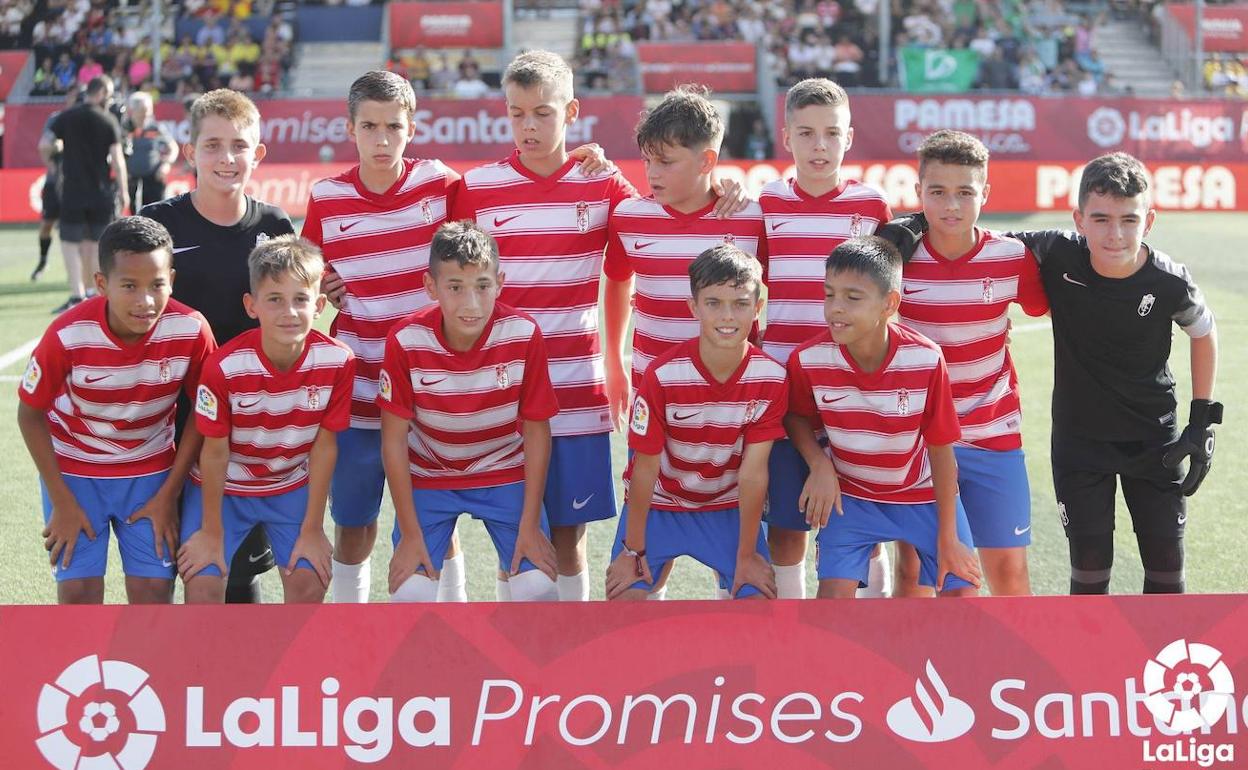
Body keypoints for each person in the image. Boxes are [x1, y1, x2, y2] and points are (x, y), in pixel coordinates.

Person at [885, 152, 1220, 594]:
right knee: (1089, 568)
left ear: (1150, 220)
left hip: (1154, 439)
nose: (1115, 234)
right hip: (1079, 444)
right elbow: (973, 236)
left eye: (1128, 220)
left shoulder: (1170, 280)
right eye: (1100, 219)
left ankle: (1158, 664)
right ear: (1079, 219)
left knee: (1165, 569)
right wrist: (912, 224)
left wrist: (1202, 420)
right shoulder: (1056, 250)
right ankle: (1092, 665)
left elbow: (1204, 332)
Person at [450, 50, 639, 602]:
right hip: (497, 390)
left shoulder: (604, 187)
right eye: (517, 114)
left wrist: (614, 359)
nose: (528, 127)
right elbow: (444, 279)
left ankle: (568, 657)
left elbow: (642, 250)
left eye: (543, 113)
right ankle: (517, 665)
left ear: (571, 111)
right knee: (513, 527)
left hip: (575, 385)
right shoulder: (477, 189)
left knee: (568, 533)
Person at [301, 70, 465, 604]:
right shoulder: (326, 197)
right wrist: (321, 284)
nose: (382, 139)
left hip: (431, 388)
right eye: (369, 126)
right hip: (360, 390)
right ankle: (354, 626)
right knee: (354, 522)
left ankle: (450, 621)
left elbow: (483, 235)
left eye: (393, 126)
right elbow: (307, 270)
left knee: (436, 518)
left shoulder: (438, 184)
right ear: (350, 128)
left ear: (412, 127)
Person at [142, 88, 296, 603]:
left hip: (249, 417)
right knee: (166, 562)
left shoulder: (274, 225)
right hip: (168, 414)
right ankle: (170, 675)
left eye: (239, 146)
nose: (226, 158)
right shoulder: (158, 223)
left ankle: (236, 683)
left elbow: (293, 308)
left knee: (236, 567)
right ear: (189, 153)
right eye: (212, 145)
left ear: (259, 155)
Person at [16, 217, 216, 604]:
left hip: (150, 474)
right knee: (78, 594)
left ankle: (151, 667)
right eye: (129, 286)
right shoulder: (67, 333)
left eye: (157, 284)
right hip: (75, 472)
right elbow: (29, 414)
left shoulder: (191, 330)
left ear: (171, 279)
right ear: (102, 284)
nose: (145, 300)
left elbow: (204, 415)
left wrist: (168, 495)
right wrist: (62, 501)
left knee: (153, 594)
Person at [784, 237, 982, 598]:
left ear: (889, 303)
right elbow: (796, 417)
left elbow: (940, 452)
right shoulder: (808, 359)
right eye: (829, 294)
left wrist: (949, 536)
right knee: (830, 610)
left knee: (963, 600)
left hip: (922, 498)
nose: (835, 309)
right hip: (852, 499)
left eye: (852, 298)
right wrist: (819, 464)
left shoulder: (925, 359)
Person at [759, 77, 893, 600]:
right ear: (786, 137)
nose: (820, 146)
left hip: (855, 383)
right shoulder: (764, 206)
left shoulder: (872, 208)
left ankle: (871, 612)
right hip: (786, 384)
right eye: (807, 133)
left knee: (862, 514)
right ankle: (791, 622)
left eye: (831, 134)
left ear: (849, 138)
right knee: (788, 519)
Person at [378, 221, 560, 603]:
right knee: (410, 595)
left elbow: (537, 431)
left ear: (500, 282)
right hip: (430, 476)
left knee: (537, 589)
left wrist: (529, 526)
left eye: (482, 286)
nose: (471, 303)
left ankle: (520, 659)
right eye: (455, 288)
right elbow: (393, 440)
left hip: (503, 472)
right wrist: (410, 536)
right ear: (431, 287)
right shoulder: (405, 340)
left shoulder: (523, 333)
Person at [178, 236, 355, 604]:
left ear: (319, 305)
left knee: (310, 579)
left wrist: (313, 528)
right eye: (274, 299)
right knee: (203, 584)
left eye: (300, 300)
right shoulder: (224, 366)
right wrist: (211, 533)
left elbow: (324, 447)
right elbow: (214, 453)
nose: (288, 312)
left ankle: (296, 664)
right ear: (252, 305)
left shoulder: (339, 361)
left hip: (288, 485)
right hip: (224, 488)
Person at [605, 244, 783, 601]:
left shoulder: (772, 378)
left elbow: (752, 474)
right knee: (625, 606)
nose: (727, 317)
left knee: (757, 605)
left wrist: (747, 555)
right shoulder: (663, 375)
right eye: (714, 303)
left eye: (740, 303)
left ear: (758, 307)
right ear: (694, 307)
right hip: (660, 505)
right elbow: (644, 470)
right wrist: (632, 551)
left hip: (726, 508)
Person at [39, 75, 128, 314]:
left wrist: (53, 163)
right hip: (100, 191)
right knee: (94, 244)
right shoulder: (108, 119)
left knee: (70, 243)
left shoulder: (66, 117)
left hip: (73, 190)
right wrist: (125, 190)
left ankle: (76, 294)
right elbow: (118, 161)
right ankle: (92, 294)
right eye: (108, 95)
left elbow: (45, 145)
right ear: (100, 93)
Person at [32, 88, 80, 282]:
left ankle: (78, 273)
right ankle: (43, 260)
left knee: (77, 231)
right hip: (56, 181)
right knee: (46, 225)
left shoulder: (86, 119)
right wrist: (51, 164)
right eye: (73, 97)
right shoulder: (56, 119)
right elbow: (45, 144)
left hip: (77, 182)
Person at [125, 91, 178, 212]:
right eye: (141, 112)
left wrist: (166, 164)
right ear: (131, 111)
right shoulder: (125, 128)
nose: (145, 116)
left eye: (147, 111)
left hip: (153, 179)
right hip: (131, 179)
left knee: (154, 213)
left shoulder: (155, 127)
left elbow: (173, 147)